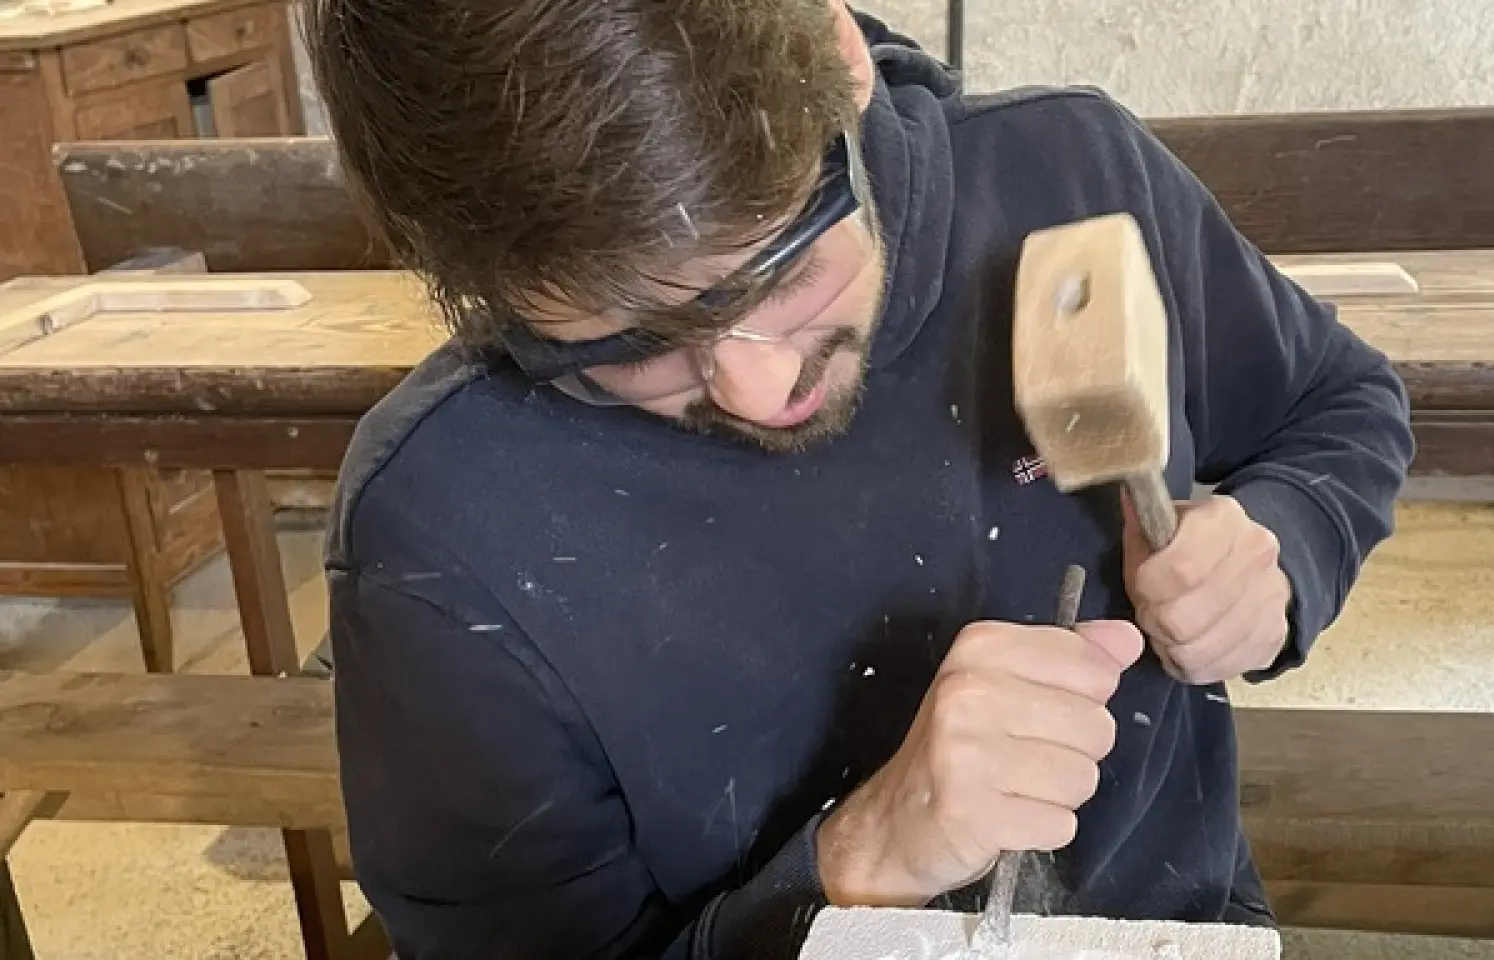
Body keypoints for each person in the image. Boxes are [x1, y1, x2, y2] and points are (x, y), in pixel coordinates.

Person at [305, 1, 1414, 957]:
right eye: (632, 345)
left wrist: (1285, 545)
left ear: (837, 54)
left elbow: (1338, 406)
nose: (756, 383)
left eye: (783, 262)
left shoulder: (1068, 181)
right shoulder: (439, 528)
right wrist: (858, 866)